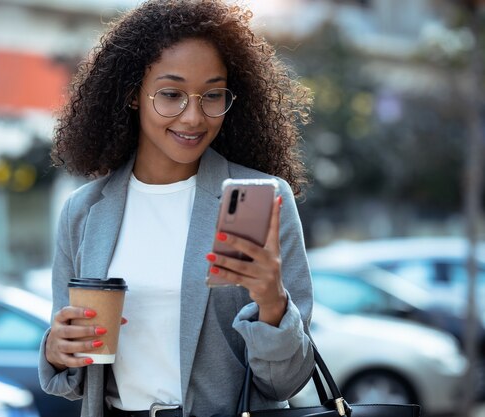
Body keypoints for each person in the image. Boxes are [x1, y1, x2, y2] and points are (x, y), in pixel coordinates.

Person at [39, 1, 315, 416]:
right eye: (171, 94)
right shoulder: (85, 211)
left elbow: (285, 382)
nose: (193, 117)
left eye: (212, 95)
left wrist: (273, 303)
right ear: (133, 95)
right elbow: (73, 376)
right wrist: (57, 349)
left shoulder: (262, 199)